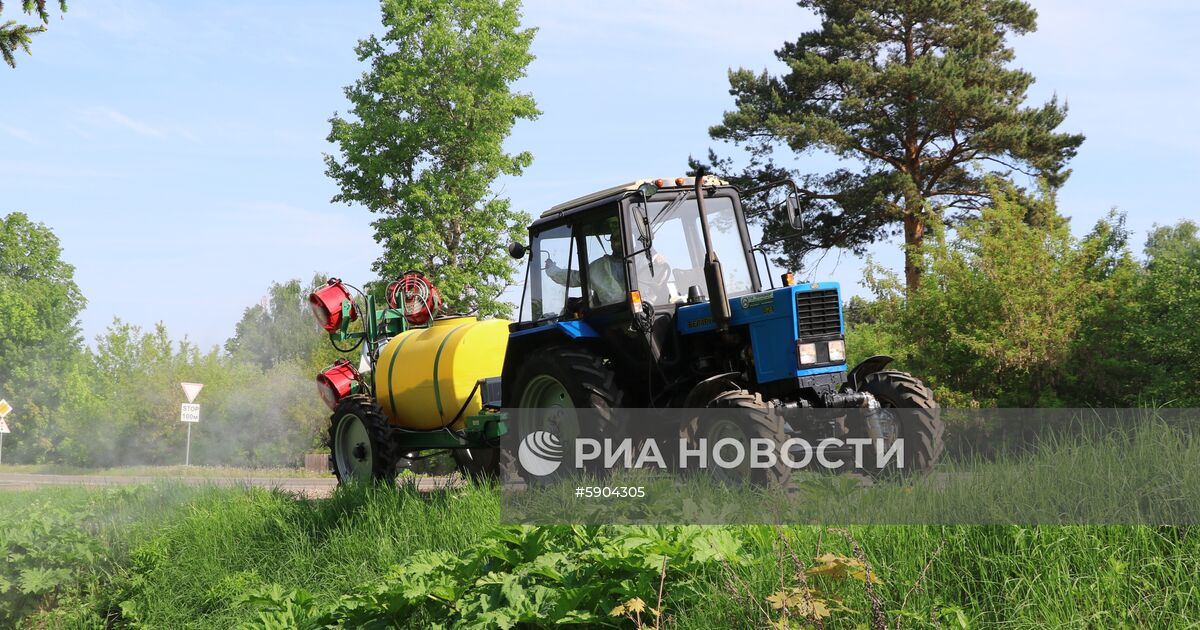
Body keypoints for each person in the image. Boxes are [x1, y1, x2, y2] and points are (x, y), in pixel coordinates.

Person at [546, 216, 669, 307]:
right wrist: (552, 270)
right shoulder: (598, 267)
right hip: (611, 317)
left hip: (643, 312)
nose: (619, 243)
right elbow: (574, 278)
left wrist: (656, 258)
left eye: (622, 239)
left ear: (629, 241)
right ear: (611, 243)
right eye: (616, 239)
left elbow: (658, 287)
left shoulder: (644, 262)